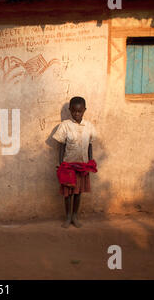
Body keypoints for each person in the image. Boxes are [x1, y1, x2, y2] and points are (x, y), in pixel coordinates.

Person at [52, 96, 97, 228]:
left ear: (84, 110)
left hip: (82, 166)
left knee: (78, 193)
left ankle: (75, 216)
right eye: (74, 111)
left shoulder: (89, 127)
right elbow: (61, 147)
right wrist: (61, 165)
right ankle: (67, 217)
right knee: (68, 194)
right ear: (70, 110)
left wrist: (90, 161)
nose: (77, 114)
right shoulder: (65, 126)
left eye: (80, 111)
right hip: (68, 166)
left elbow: (89, 145)